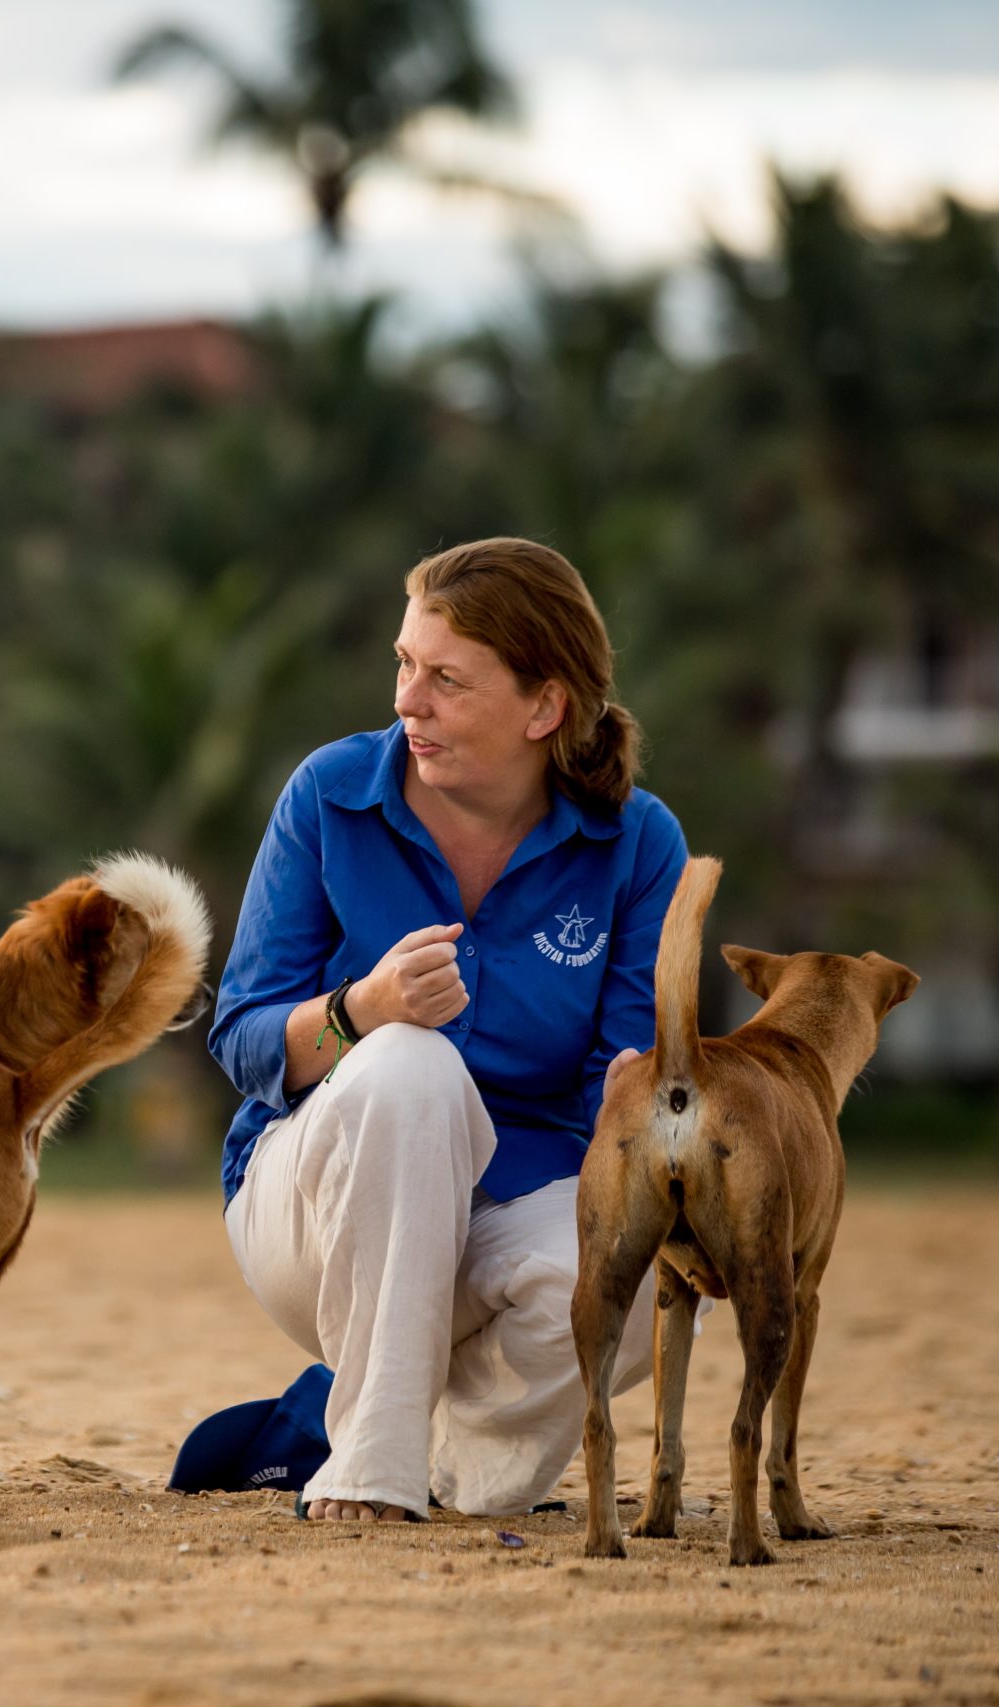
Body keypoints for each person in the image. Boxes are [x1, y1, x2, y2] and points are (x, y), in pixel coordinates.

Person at [207, 537, 686, 1522]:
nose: (405, 702)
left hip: (519, 1206)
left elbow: (621, 1095)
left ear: (544, 707)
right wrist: (361, 1012)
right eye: (402, 665)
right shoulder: (329, 797)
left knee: (639, 1273)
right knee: (410, 1068)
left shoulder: (640, 842)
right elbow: (244, 1042)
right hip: (317, 1207)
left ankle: (399, 1440)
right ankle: (373, 1462)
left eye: (445, 680)